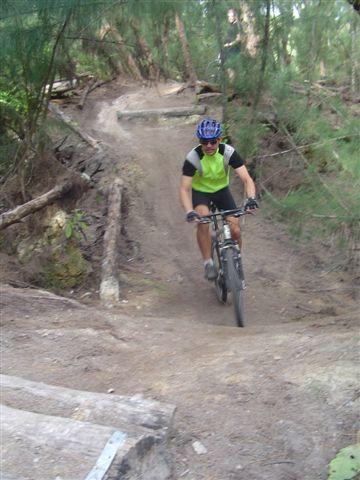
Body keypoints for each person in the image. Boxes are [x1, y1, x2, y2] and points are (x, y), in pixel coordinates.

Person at [179, 118, 258, 281]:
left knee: (235, 230)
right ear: (200, 141)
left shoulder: (228, 152)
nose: (208, 146)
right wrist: (189, 211)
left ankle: (236, 260)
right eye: (204, 142)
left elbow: (247, 179)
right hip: (202, 194)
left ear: (219, 140)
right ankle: (208, 262)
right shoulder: (193, 157)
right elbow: (184, 189)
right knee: (203, 221)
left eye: (213, 142)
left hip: (222, 192)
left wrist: (251, 198)